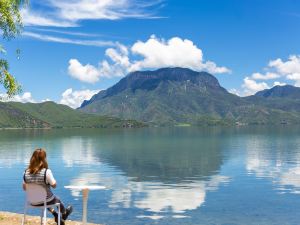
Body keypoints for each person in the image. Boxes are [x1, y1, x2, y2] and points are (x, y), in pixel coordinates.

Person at [22, 148, 73, 225]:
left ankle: (55, 214)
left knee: (43, 198)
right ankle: (64, 213)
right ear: (44, 159)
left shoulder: (26, 172)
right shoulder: (46, 172)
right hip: (45, 201)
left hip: (32, 201)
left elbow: (24, 188)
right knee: (56, 199)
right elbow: (54, 186)